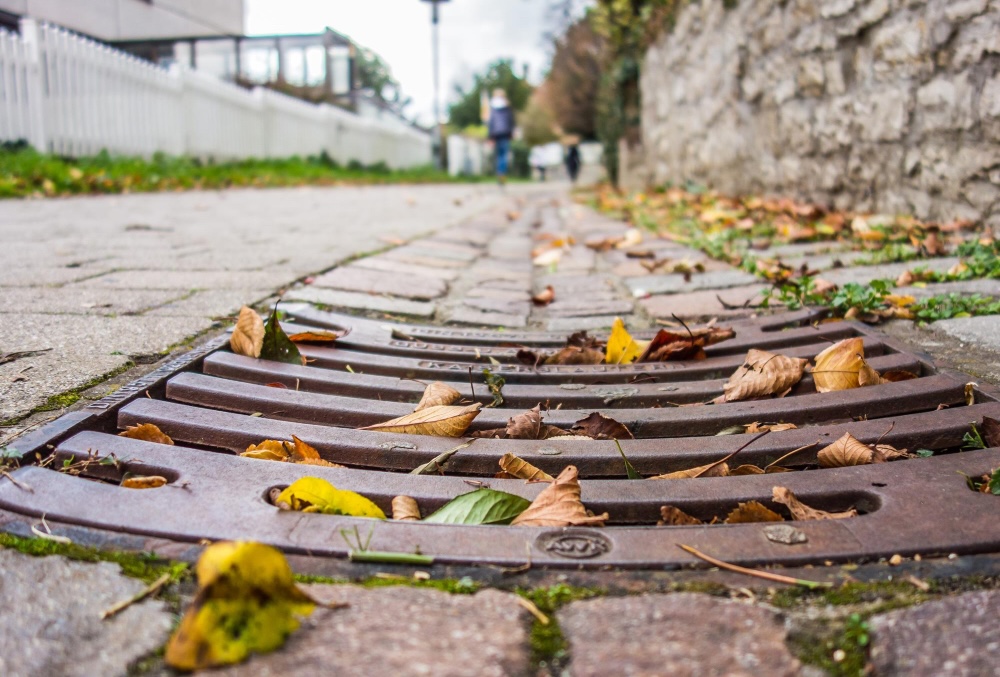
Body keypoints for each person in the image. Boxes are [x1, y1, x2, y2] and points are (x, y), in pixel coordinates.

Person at [487, 88, 515, 184]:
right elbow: (511, 120)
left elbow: (491, 122)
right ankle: (502, 173)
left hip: (496, 134)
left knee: (499, 155)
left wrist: (490, 137)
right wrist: (511, 133)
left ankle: (499, 172)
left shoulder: (493, 107)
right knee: (504, 155)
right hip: (505, 133)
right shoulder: (507, 106)